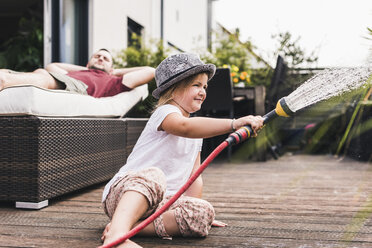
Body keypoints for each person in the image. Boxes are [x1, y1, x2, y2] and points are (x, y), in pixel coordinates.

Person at [100, 53, 264, 247]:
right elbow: (184, 127)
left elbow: (195, 175)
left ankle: (129, 226)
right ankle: (117, 237)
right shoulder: (166, 113)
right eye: (196, 85)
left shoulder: (196, 134)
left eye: (205, 87)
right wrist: (234, 123)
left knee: (204, 211)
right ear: (173, 89)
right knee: (154, 176)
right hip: (127, 193)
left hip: (162, 204)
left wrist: (192, 207)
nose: (203, 91)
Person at [0, 48, 155, 98]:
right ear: (88, 63)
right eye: (97, 56)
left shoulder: (114, 82)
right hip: (64, 80)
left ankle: (4, 81)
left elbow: (150, 71)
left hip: (79, 88)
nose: (100, 58)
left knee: (47, 77)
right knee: (41, 71)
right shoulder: (80, 71)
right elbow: (52, 66)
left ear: (112, 68)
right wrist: (86, 69)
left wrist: (115, 72)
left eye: (105, 59)